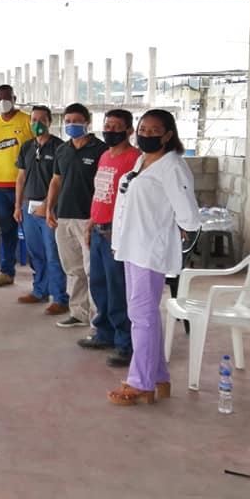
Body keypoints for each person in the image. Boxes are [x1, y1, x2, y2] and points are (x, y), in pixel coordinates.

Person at [108, 109, 200, 405]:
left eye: (154, 130)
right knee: (143, 315)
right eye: (143, 130)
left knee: (142, 317)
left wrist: (179, 227)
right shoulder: (142, 161)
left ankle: (141, 383)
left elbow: (189, 214)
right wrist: (118, 241)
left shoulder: (172, 166)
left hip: (149, 250)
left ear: (168, 135)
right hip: (132, 248)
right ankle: (158, 377)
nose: (146, 135)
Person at [80, 109, 139, 367]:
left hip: (117, 233)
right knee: (99, 285)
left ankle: (125, 343)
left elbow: (133, 199)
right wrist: (91, 222)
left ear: (129, 131)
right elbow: (101, 193)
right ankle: (104, 333)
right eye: (107, 126)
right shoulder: (105, 156)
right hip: (98, 228)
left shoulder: (135, 159)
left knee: (118, 289)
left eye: (116, 127)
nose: (110, 131)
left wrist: (121, 230)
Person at [45, 103, 107, 329]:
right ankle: (79, 313)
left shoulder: (100, 150)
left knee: (93, 270)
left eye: (76, 121)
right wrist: (49, 209)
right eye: (68, 121)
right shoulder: (62, 149)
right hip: (64, 217)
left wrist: (96, 217)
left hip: (89, 219)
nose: (71, 125)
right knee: (73, 269)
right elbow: (56, 181)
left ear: (87, 122)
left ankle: (98, 319)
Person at [13, 106, 69, 315]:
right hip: (28, 207)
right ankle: (39, 291)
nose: (37, 124)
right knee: (35, 253)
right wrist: (18, 206)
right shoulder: (27, 146)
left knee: (52, 254)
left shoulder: (60, 147)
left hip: (50, 210)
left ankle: (60, 298)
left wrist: (47, 206)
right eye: (34, 119)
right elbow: (20, 177)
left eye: (42, 120)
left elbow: (60, 180)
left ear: (49, 122)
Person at [0, 85, 32, 288]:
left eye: (7, 98)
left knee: (31, 232)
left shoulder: (27, 120)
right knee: (6, 231)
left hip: (25, 188)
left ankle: (40, 277)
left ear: (14, 98)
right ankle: (6, 272)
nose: (3, 102)